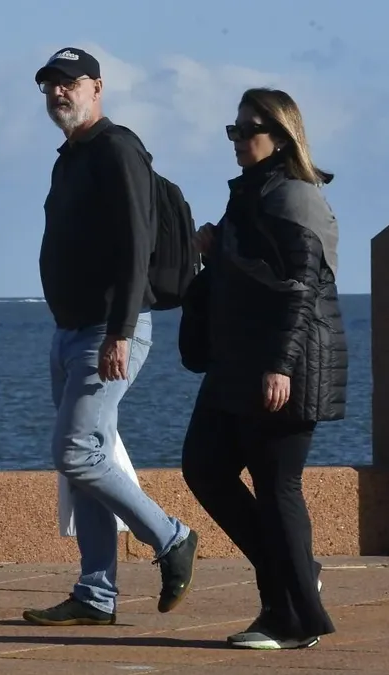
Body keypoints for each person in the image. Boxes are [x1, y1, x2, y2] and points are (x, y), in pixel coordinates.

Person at [22, 47, 199, 628]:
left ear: (97, 87)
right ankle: (96, 593)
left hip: (109, 330)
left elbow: (136, 246)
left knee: (75, 451)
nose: (58, 94)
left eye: (69, 84)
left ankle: (171, 537)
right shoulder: (67, 158)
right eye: (50, 85)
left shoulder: (117, 148)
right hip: (70, 332)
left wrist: (120, 331)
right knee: (84, 461)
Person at [180, 87, 346, 650]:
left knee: (278, 489)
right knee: (204, 467)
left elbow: (300, 290)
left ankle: (293, 618)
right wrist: (215, 249)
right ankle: (294, 575)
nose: (237, 139)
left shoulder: (295, 197)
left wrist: (280, 366)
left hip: (283, 365)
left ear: (281, 134)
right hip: (236, 364)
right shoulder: (251, 193)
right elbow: (254, 273)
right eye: (233, 129)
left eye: (248, 129)